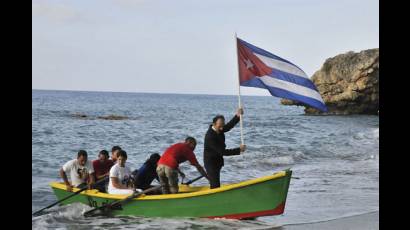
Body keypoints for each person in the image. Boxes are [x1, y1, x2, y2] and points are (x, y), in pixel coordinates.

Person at [204, 108, 246, 189]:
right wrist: (239, 149)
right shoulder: (210, 136)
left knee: (216, 182)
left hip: (217, 161)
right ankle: (214, 199)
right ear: (214, 124)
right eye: (220, 126)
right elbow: (223, 152)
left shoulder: (220, 128)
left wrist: (237, 116)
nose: (222, 128)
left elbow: (228, 126)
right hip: (210, 163)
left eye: (223, 125)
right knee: (215, 185)